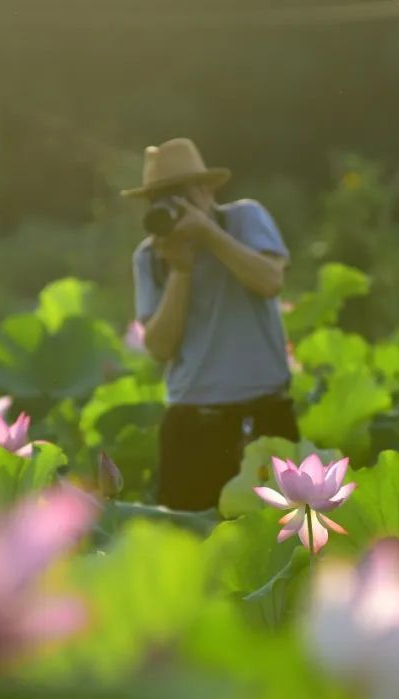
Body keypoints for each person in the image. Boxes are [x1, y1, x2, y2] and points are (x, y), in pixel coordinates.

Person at [126, 138, 299, 511]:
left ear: (206, 190)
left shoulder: (245, 220)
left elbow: (270, 281)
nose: (168, 206)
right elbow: (158, 348)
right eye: (159, 198)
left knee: (278, 547)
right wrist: (181, 271)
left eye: (177, 194)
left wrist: (208, 234)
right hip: (192, 425)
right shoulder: (150, 257)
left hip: (263, 415)